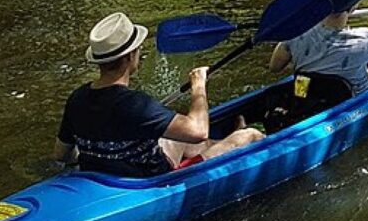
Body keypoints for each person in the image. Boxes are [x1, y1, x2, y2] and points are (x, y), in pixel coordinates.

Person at [54, 12, 262, 176]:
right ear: (129, 57)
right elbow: (199, 131)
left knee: (179, 132)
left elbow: (62, 154)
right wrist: (199, 86)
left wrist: (99, 151)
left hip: (102, 174)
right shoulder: (135, 104)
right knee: (250, 135)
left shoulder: (77, 99)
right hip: (148, 178)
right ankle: (240, 136)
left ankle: (221, 143)